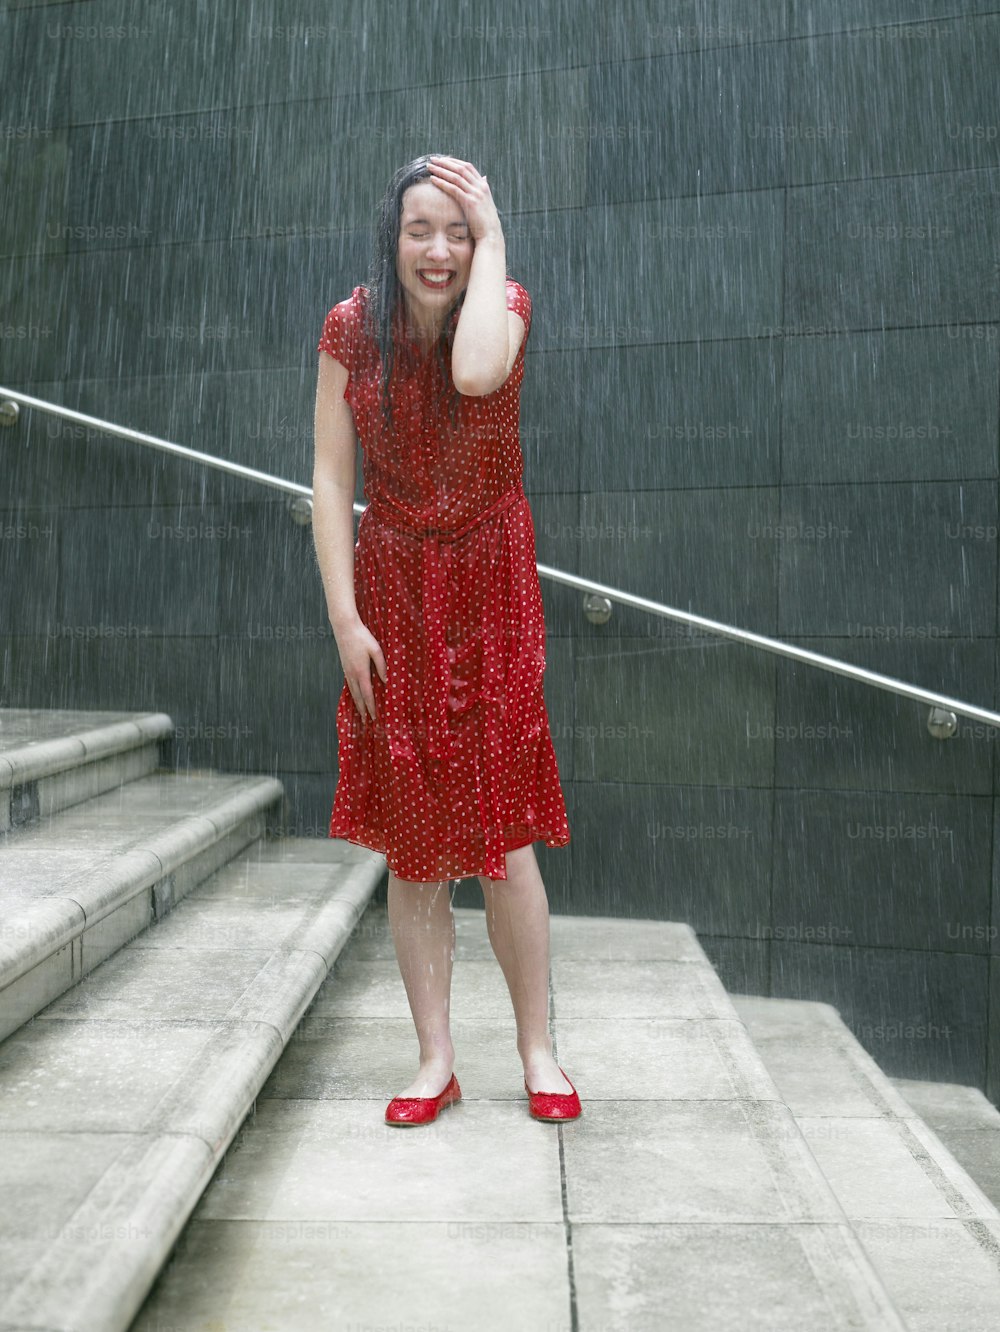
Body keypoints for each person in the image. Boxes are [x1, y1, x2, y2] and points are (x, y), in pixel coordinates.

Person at [312, 153, 577, 1127]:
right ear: (393, 235)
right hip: (392, 589)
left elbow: (473, 373)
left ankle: (537, 1051)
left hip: (489, 582)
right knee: (415, 847)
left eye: (457, 232)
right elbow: (331, 480)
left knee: (502, 833)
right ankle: (434, 1061)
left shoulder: (501, 306)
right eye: (421, 228)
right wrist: (345, 617)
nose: (438, 249)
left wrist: (496, 228)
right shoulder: (351, 328)